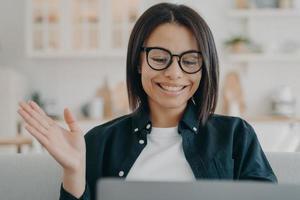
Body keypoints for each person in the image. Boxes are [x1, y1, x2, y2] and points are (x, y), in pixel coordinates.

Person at [18, 3, 277, 200]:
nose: (174, 73)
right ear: (139, 62)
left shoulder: (235, 136)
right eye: (159, 57)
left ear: (203, 68)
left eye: (189, 60)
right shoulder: (99, 142)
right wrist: (74, 171)